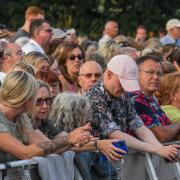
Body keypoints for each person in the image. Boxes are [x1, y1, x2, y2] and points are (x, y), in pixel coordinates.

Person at [86, 55, 180, 161]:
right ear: (109, 74)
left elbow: (138, 126)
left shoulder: (123, 94)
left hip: (116, 160)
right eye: (122, 82)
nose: (124, 88)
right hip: (96, 160)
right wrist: (156, 149)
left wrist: (160, 148)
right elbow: (114, 134)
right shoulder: (94, 96)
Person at [0, 71, 92, 163]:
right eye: (36, 98)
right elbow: (25, 153)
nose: (43, 105)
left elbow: (45, 147)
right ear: (24, 95)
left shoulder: (21, 117)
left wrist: (73, 140)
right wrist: (68, 139)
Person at [49, 93, 126, 179]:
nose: (89, 120)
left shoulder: (52, 137)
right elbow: (106, 173)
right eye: (85, 115)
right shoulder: (86, 149)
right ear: (76, 116)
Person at [130, 55, 180, 142]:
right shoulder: (135, 99)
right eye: (150, 72)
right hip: (142, 154)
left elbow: (169, 128)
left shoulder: (152, 99)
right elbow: (162, 135)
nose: (156, 77)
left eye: (159, 73)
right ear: (137, 73)